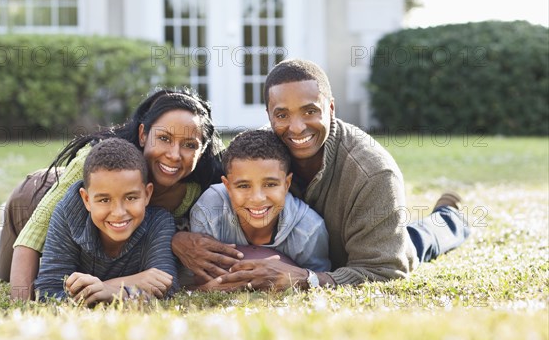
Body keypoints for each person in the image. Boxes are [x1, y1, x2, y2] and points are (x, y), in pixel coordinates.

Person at [173, 59, 470, 291]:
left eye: (310, 111)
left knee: (417, 241)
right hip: (308, 251)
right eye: (282, 115)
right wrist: (179, 240)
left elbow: (384, 271)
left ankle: (450, 218)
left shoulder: (374, 173)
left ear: (330, 108)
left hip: (353, 254)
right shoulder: (253, 155)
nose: (297, 127)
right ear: (268, 115)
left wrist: (306, 280)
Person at [0, 88, 225, 300]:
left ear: (202, 149)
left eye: (189, 145)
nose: (174, 154)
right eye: (163, 138)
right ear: (143, 135)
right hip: (36, 199)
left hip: (107, 222)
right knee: (5, 269)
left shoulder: (197, 185)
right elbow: (32, 237)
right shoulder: (91, 162)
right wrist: (21, 306)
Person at [35, 138, 177, 305]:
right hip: (30, 193)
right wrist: (127, 284)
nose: (118, 213)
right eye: (104, 200)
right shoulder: (68, 215)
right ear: (86, 199)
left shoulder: (160, 222)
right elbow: (48, 294)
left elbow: (167, 288)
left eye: (131, 197)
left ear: (147, 194)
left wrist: (109, 291)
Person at [186, 129, 330, 288]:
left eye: (270, 184)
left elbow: (315, 283)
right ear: (227, 186)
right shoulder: (209, 210)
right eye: (243, 185)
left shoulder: (309, 230)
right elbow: (195, 281)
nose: (257, 198)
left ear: (287, 184)